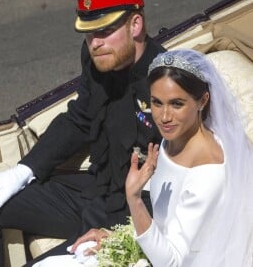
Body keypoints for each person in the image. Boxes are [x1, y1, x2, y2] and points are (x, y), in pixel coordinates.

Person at [0, 0, 165, 267]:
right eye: (89, 33)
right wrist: (25, 169)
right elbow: (81, 118)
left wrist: (126, 230)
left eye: (105, 31)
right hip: (97, 188)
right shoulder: (98, 59)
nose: (95, 44)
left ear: (135, 25)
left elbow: (182, 178)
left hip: (139, 203)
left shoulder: (167, 78)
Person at [68, 49, 253, 267]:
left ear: (202, 101)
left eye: (177, 104)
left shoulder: (208, 171)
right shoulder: (172, 140)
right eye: (156, 103)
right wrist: (116, 240)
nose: (164, 117)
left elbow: (171, 261)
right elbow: (168, 225)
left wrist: (134, 199)